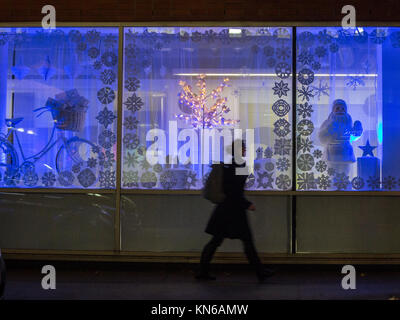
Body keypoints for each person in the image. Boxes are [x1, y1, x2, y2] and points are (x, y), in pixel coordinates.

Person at [196, 139, 274, 283]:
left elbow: (233, 189)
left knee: (216, 241)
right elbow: (235, 190)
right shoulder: (239, 165)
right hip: (234, 211)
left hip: (225, 210)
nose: (245, 151)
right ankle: (260, 272)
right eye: (243, 149)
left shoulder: (230, 165)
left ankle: (202, 271)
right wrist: (246, 204)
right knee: (246, 241)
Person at [318, 99, 363, 176]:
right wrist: (328, 128)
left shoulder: (348, 121)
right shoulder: (328, 122)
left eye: (343, 109)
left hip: (345, 152)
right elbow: (321, 136)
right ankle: (332, 185)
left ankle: (344, 185)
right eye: (337, 108)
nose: (340, 110)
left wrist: (358, 130)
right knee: (332, 174)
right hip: (332, 154)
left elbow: (353, 135)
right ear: (333, 110)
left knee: (345, 173)